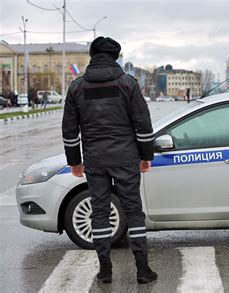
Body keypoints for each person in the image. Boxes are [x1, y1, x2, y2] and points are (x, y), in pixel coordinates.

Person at [62, 36, 157, 284]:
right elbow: (143, 124)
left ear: (92, 56)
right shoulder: (128, 84)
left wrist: (75, 161)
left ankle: (105, 271)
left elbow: (70, 131)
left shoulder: (77, 87)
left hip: (94, 160)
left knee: (100, 212)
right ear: (116, 56)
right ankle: (143, 270)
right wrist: (146, 156)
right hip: (125, 157)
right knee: (133, 211)